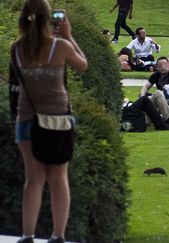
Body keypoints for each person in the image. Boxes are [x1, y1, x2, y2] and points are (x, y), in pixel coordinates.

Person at [12, 1, 88, 242]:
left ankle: (27, 235)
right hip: (58, 120)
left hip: (26, 119)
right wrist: (69, 36)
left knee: (33, 179)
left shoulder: (16, 49)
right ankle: (58, 235)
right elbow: (82, 65)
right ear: (50, 19)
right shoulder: (61, 46)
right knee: (58, 178)